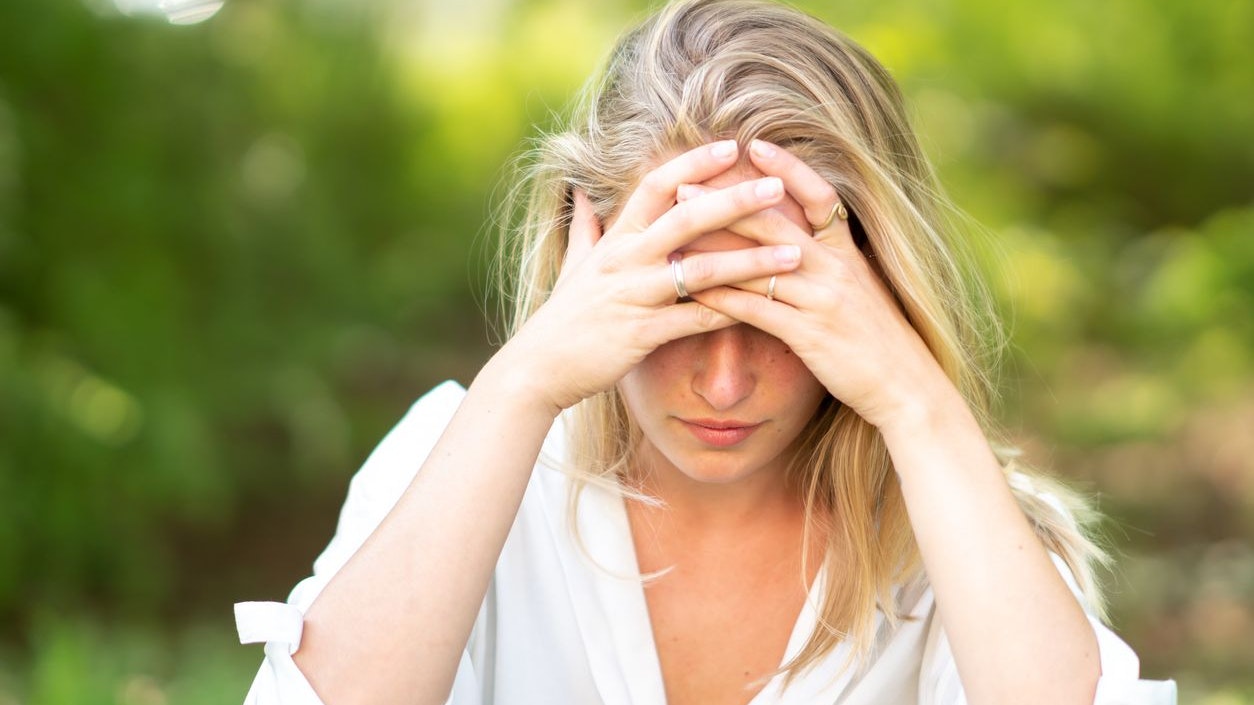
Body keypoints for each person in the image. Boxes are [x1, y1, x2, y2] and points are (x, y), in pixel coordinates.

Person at [234, 1, 1178, 703]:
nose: (724, 383)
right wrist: (522, 381)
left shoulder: (955, 525)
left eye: (781, 314)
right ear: (583, 254)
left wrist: (917, 404)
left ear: (874, 285)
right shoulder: (458, 456)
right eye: (676, 306)